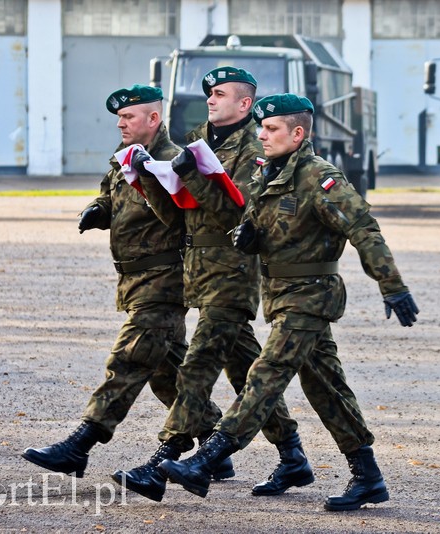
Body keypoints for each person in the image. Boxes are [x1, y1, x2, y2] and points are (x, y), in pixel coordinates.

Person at [156, 93, 419, 511]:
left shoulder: (319, 176)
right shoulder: (267, 173)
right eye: (261, 128)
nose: (262, 135)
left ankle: (208, 459)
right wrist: (250, 235)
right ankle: (367, 476)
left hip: (311, 296)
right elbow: (255, 220)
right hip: (280, 297)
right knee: (325, 386)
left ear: (298, 133)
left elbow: (364, 230)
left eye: (271, 128)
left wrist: (392, 285)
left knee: (267, 372)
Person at [112, 67, 309, 503]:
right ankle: (293, 456)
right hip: (198, 269)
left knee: (198, 364)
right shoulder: (197, 140)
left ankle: (164, 460)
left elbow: (236, 214)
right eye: (209, 94)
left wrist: (192, 175)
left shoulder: (256, 148)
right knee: (245, 370)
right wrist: (147, 178)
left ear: (244, 104)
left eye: (219, 94)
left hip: (234, 270)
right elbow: (179, 213)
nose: (210, 100)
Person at [22, 85, 187, 478]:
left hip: (163, 281)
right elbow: (109, 197)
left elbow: (183, 219)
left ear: (153, 119)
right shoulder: (125, 158)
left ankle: (80, 444)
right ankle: (215, 439)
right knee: (169, 375)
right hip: (134, 280)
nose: (120, 123)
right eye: (120, 117)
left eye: (129, 117)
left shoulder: (173, 161)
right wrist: (96, 211)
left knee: (127, 360)